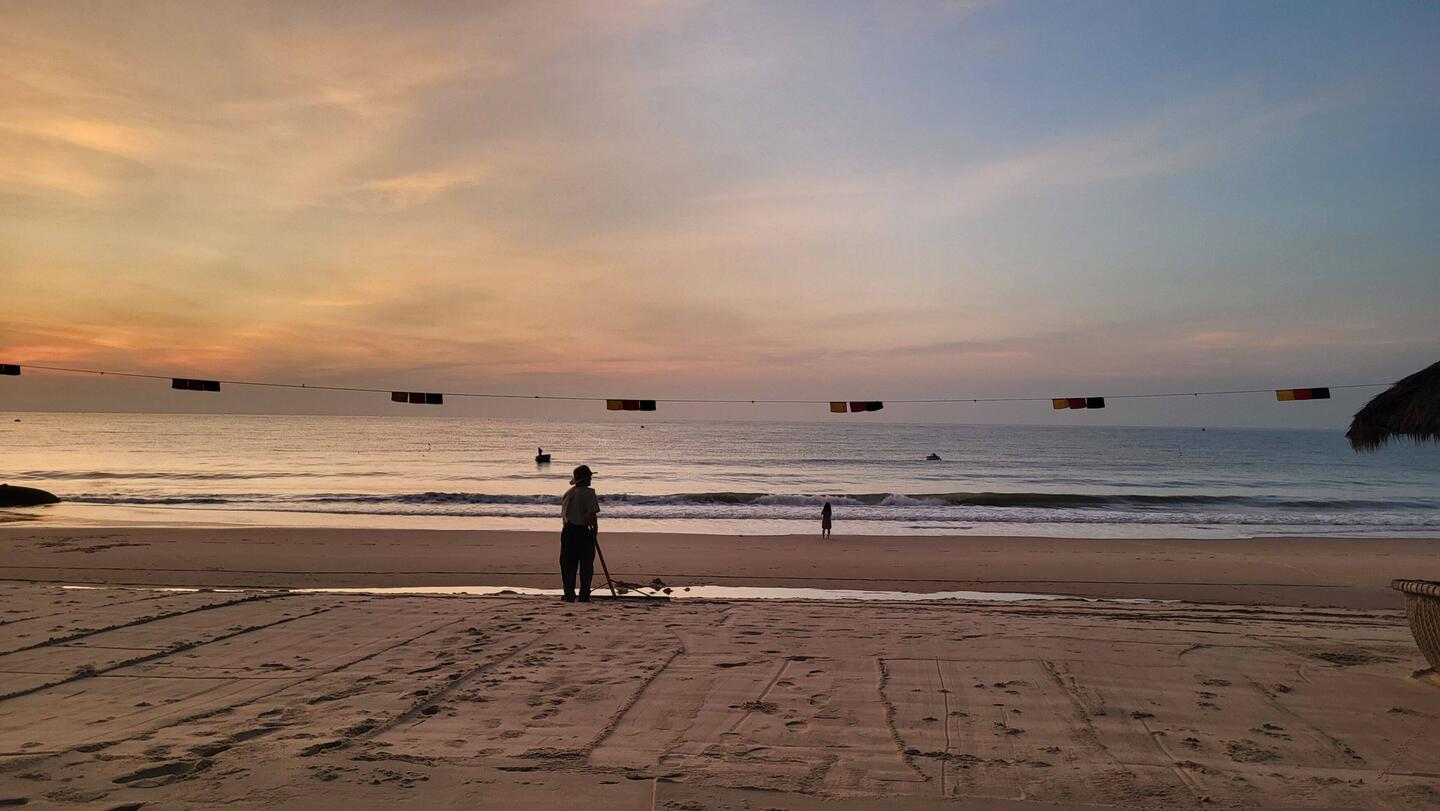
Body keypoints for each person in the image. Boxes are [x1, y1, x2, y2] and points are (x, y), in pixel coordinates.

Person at [559, 464, 600, 602]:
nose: (591, 479)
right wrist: (595, 530)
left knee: (568, 565)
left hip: (567, 531)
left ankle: (569, 594)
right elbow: (591, 514)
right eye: (589, 477)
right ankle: (584, 595)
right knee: (586, 565)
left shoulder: (568, 493)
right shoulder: (589, 493)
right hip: (582, 531)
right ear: (585, 479)